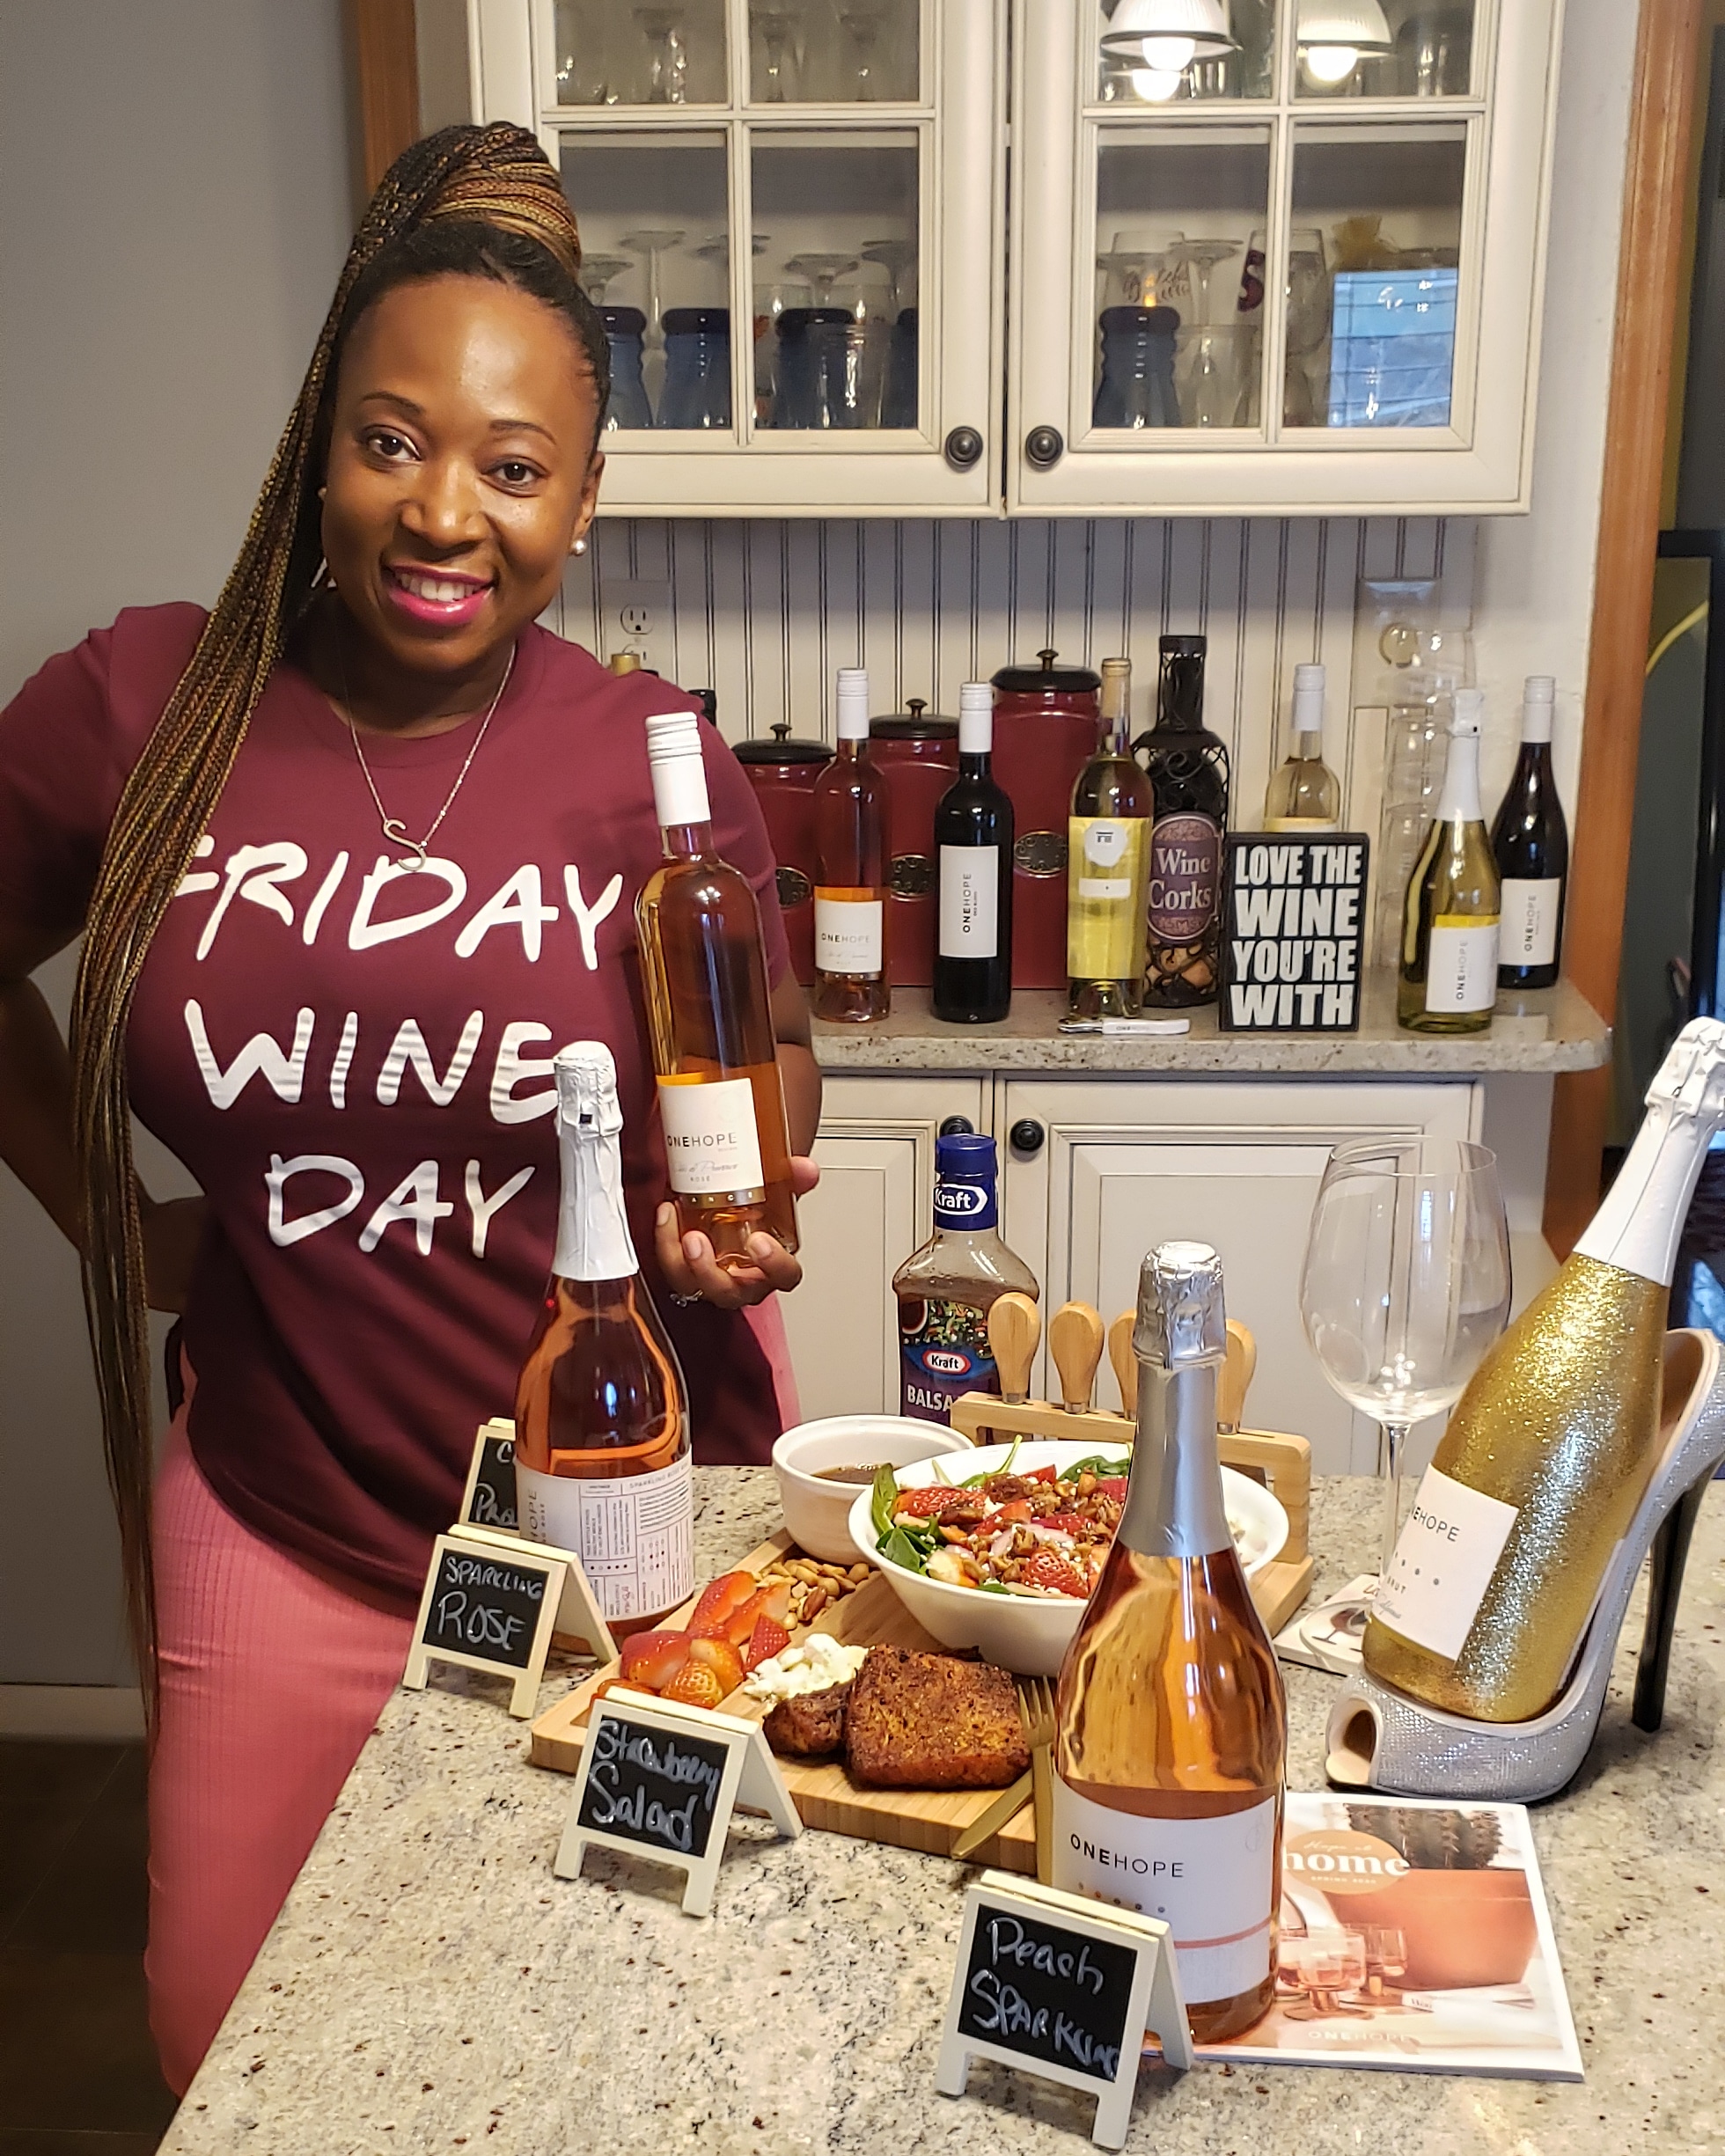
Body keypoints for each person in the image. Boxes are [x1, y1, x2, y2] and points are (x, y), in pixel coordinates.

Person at [0, 123, 819, 2093]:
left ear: (584, 501)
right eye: (393, 442)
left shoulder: (649, 757)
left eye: (515, 468)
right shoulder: (146, 708)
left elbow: (771, 1045)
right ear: (320, 448)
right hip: (286, 1505)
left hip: (631, 1520)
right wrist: (101, 1214)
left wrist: (740, 1190)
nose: (446, 512)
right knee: (228, 2036)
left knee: (621, 2044)